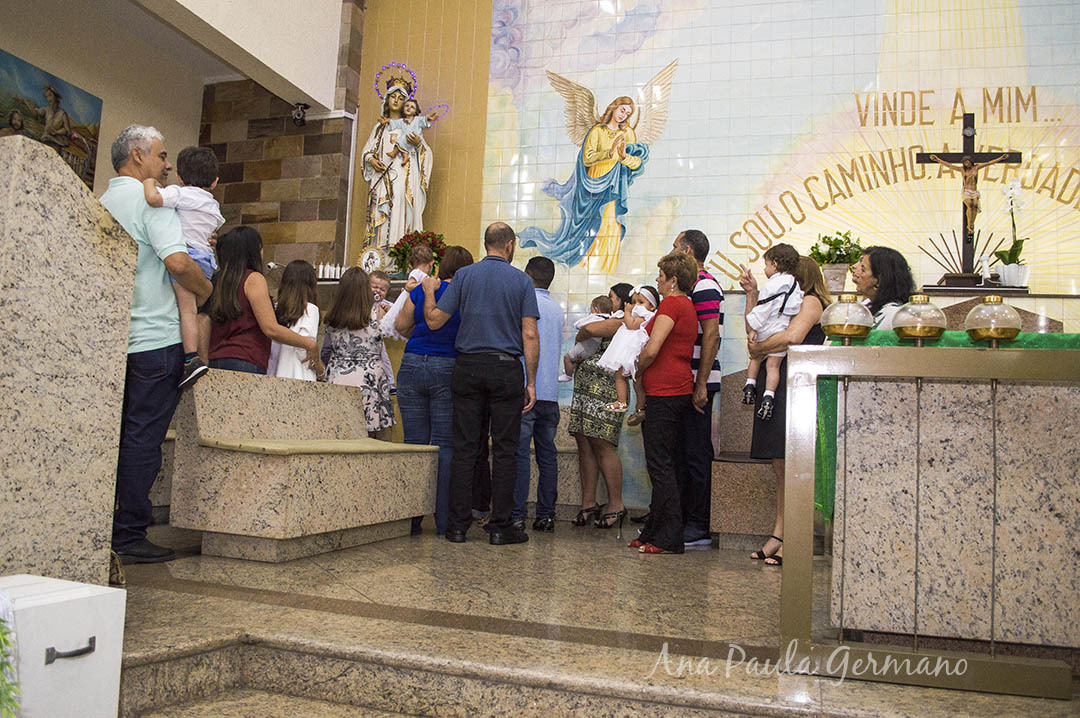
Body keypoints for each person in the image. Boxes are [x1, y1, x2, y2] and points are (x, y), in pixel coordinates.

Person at [100, 124, 213, 564]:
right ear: (137, 155)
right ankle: (128, 535)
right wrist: (205, 289)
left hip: (114, 341)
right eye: (162, 156)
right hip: (155, 339)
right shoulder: (154, 202)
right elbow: (179, 263)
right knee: (143, 441)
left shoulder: (103, 202)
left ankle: (97, 526)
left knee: (112, 437)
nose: (167, 165)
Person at [421, 222, 539, 545]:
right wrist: (531, 382)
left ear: (486, 244)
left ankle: (458, 527)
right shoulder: (521, 281)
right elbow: (529, 334)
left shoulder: (464, 276)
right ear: (510, 245)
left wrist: (429, 293)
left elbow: (434, 321)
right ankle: (500, 527)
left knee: (465, 449)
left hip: (468, 367)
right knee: (504, 450)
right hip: (505, 369)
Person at [740, 256, 832, 567]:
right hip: (777, 385)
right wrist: (752, 294)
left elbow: (793, 337)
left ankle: (793, 537)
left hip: (796, 386)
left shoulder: (811, 301)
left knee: (793, 467)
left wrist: (759, 348)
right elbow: (755, 326)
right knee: (780, 466)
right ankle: (780, 533)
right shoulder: (785, 301)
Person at [394, 245, 475, 535]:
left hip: (412, 363)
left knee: (414, 444)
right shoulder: (466, 294)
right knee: (444, 446)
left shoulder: (423, 289)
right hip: (448, 368)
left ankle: (411, 520)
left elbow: (400, 325)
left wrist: (419, 333)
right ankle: (443, 522)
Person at [518, 97, 647, 273]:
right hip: (591, 185)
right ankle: (583, 268)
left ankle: (602, 271)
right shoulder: (598, 131)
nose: (623, 115)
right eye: (622, 110)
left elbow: (637, 163)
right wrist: (609, 153)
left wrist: (624, 157)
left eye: (627, 113)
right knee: (587, 227)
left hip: (612, 188)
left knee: (610, 226)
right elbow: (587, 157)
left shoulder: (628, 134)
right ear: (614, 107)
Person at [629, 252, 701, 552]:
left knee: (660, 465)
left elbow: (653, 347)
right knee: (665, 463)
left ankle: (669, 537)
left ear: (673, 280)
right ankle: (652, 531)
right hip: (677, 388)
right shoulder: (687, 305)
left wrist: (638, 367)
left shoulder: (672, 304)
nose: (657, 280)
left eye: (660, 276)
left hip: (665, 390)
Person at [142, 146, 224, 388]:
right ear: (215, 181)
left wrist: (149, 182)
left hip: (188, 256)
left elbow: (154, 199)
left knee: (187, 311)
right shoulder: (213, 205)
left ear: (179, 177)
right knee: (193, 308)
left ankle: (191, 358)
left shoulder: (180, 194)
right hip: (206, 260)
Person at [668, 230, 723, 545]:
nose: (672, 250)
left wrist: (700, 383)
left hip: (698, 380)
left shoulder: (704, 286)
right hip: (684, 379)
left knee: (696, 452)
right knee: (681, 451)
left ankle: (700, 524)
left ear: (687, 251)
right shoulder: (692, 286)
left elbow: (711, 335)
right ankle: (681, 517)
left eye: (675, 246)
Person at [205, 226, 317, 375]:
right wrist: (309, 344)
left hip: (215, 358)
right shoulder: (253, 279)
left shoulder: (217, 280)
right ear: (254, 250)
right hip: (246, 358)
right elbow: (270, 328)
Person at [567, 282, 632, 528]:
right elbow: (581, 336)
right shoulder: (608, 319)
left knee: (603, 444)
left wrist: (588, 327)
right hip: (585, 389)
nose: (607, 299)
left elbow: (588, 329)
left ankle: (616, 504)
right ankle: (588, 503)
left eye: (612, 296)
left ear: (623, 301)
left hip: (607, 390)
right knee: (584, 442)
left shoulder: (622, 321)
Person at [512, 256, 565, 531]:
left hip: (526, 391)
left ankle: (517, 515)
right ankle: (546, 515)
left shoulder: (524, 303)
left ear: (527, 275)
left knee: (520, 455)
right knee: (547, 456)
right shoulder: (556, 309)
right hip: (550, 395)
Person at [322, 267, 395, 438]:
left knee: (337, 434)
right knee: (372, 439)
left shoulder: (333, 316)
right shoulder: (378, 313)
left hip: (337, 379)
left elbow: (325, 351)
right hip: (370, 382)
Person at [362, 78, 430, 249]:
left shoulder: (410, 126)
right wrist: (371, 160)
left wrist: (417, 145)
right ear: (387, 99)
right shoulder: (380, 128)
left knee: (400, 209)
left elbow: (425, 153)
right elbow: (368, 150)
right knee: (382, 215)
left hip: (403, 179)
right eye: (393, 96)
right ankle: (379, 254)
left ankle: (398, 251)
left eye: (401, 98)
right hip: (382, 179)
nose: (396, 101)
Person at [741, 243, 802, 421]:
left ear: (775, 264)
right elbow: (796, 306)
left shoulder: (771, 285)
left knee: (755, 357)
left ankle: (750, 385)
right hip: (781, 328)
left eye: (766, 264)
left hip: (766, 327)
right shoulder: (795, 284)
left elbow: (763, 309)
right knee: (773, 366)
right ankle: (769, 396)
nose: (765, 269)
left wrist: (753, 327)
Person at [596, 286, 658, 419]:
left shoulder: (646, 317)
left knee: (637, 380)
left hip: (635, 353)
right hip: (626, 352)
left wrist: (627, 312)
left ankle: (640, 406)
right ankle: (622, 401)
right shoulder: (637, 316)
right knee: (619, 375)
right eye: (634, 302)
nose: (636, 306)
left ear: (652, 306)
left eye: (641, 302)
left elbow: (630, 324)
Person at [267, 260, 322, 381]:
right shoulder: (310, 309)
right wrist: (320, 370)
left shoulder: (275, 308)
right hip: (298, 373)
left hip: (275, 371)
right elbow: (305, 352)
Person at [928, 153, 1009, 232]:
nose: (967, 164)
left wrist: (1001, 158)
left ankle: (971, 224)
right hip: (966, 191)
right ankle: (969, 224)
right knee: (970, 205)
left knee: (975, 206)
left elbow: (989, 163)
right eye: (965, 162)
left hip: (974, 191)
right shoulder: (962, 170)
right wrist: (937, 159)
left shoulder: (976, 168)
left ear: (971, 161)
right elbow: (949, 165)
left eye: (968, 162)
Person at [850, 246, 916, 330]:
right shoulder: (865, 307)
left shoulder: (895, 316)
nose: (854, 266)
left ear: (879, 281)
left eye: (863, 269)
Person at [381, 244, 435, 341]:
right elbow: (408, 286)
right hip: (406, 302)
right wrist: (425, 284)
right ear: (431, 263)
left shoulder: (421, 274)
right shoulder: (417, 272)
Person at [559, 295, 613, 381]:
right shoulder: (610, 319)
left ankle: (567, 375)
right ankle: (570, 369)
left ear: (596, 309)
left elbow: (578, 325)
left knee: (567, 357)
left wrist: (587, 318)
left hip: (586, 346)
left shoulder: (595, 317)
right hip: (594, 348)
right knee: (576, 359)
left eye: (591, 309)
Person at [368, 269, 397, 395]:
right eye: (375, 287)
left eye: (382, 289)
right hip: (364, 336)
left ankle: (390, 383)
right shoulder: (363, 301)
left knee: (384, 357)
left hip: (377, 338)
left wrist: (390, 310)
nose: (378, 291)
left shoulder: (386, 304)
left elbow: (398, 314)